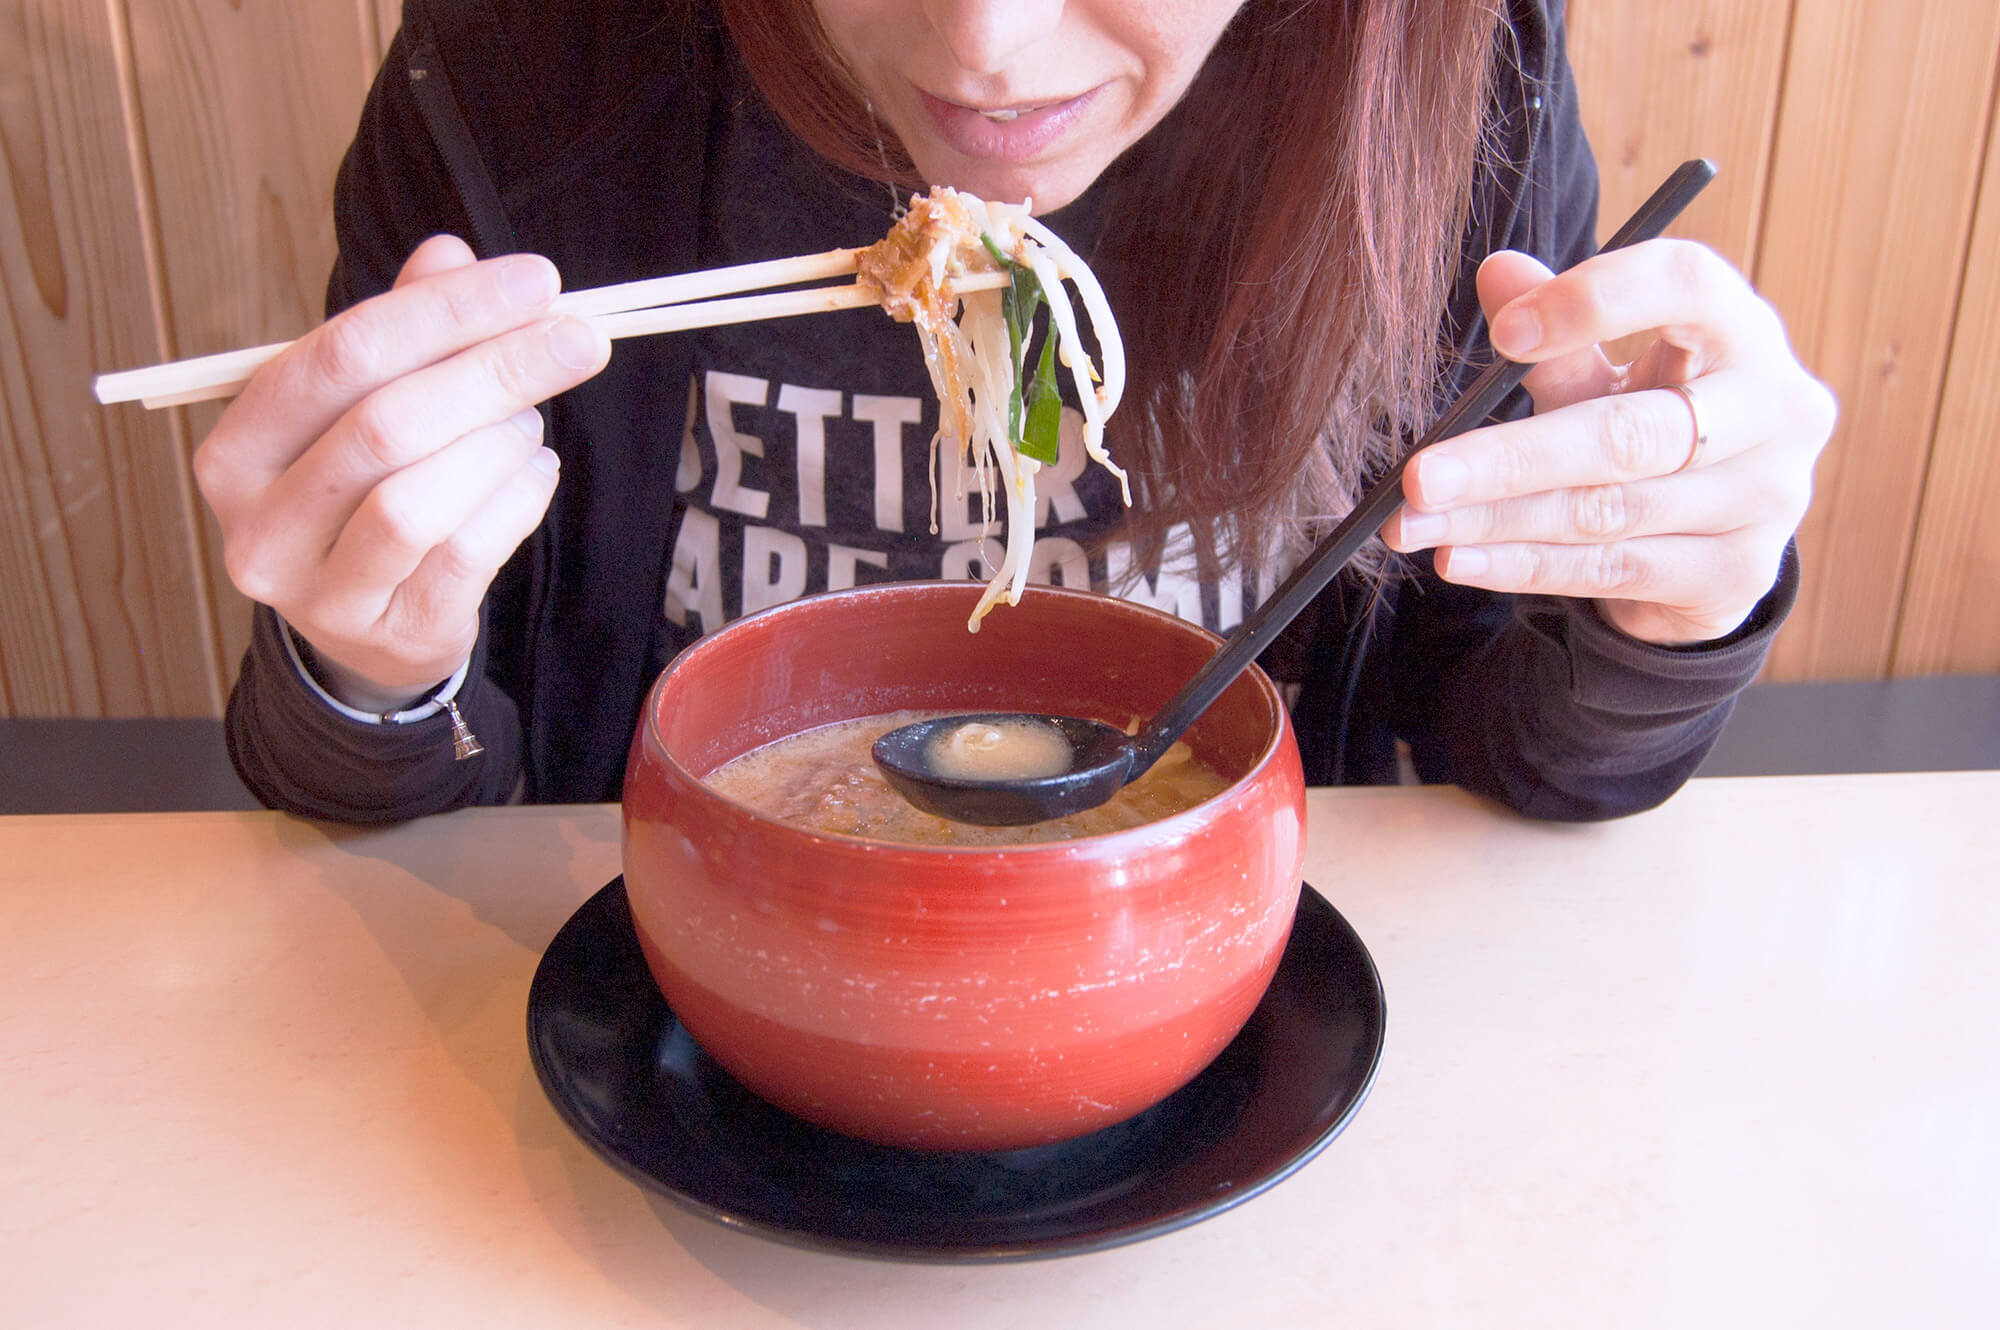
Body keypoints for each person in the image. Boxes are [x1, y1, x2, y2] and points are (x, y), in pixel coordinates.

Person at [194, 0, 1835, 824]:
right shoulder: (532, 68)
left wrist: (1663, 613)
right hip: (679, 1030)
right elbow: (390, 816)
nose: (986, 52)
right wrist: (373, 674)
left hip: (1206, 1032)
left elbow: (1504, 747)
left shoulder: (1429, 77)